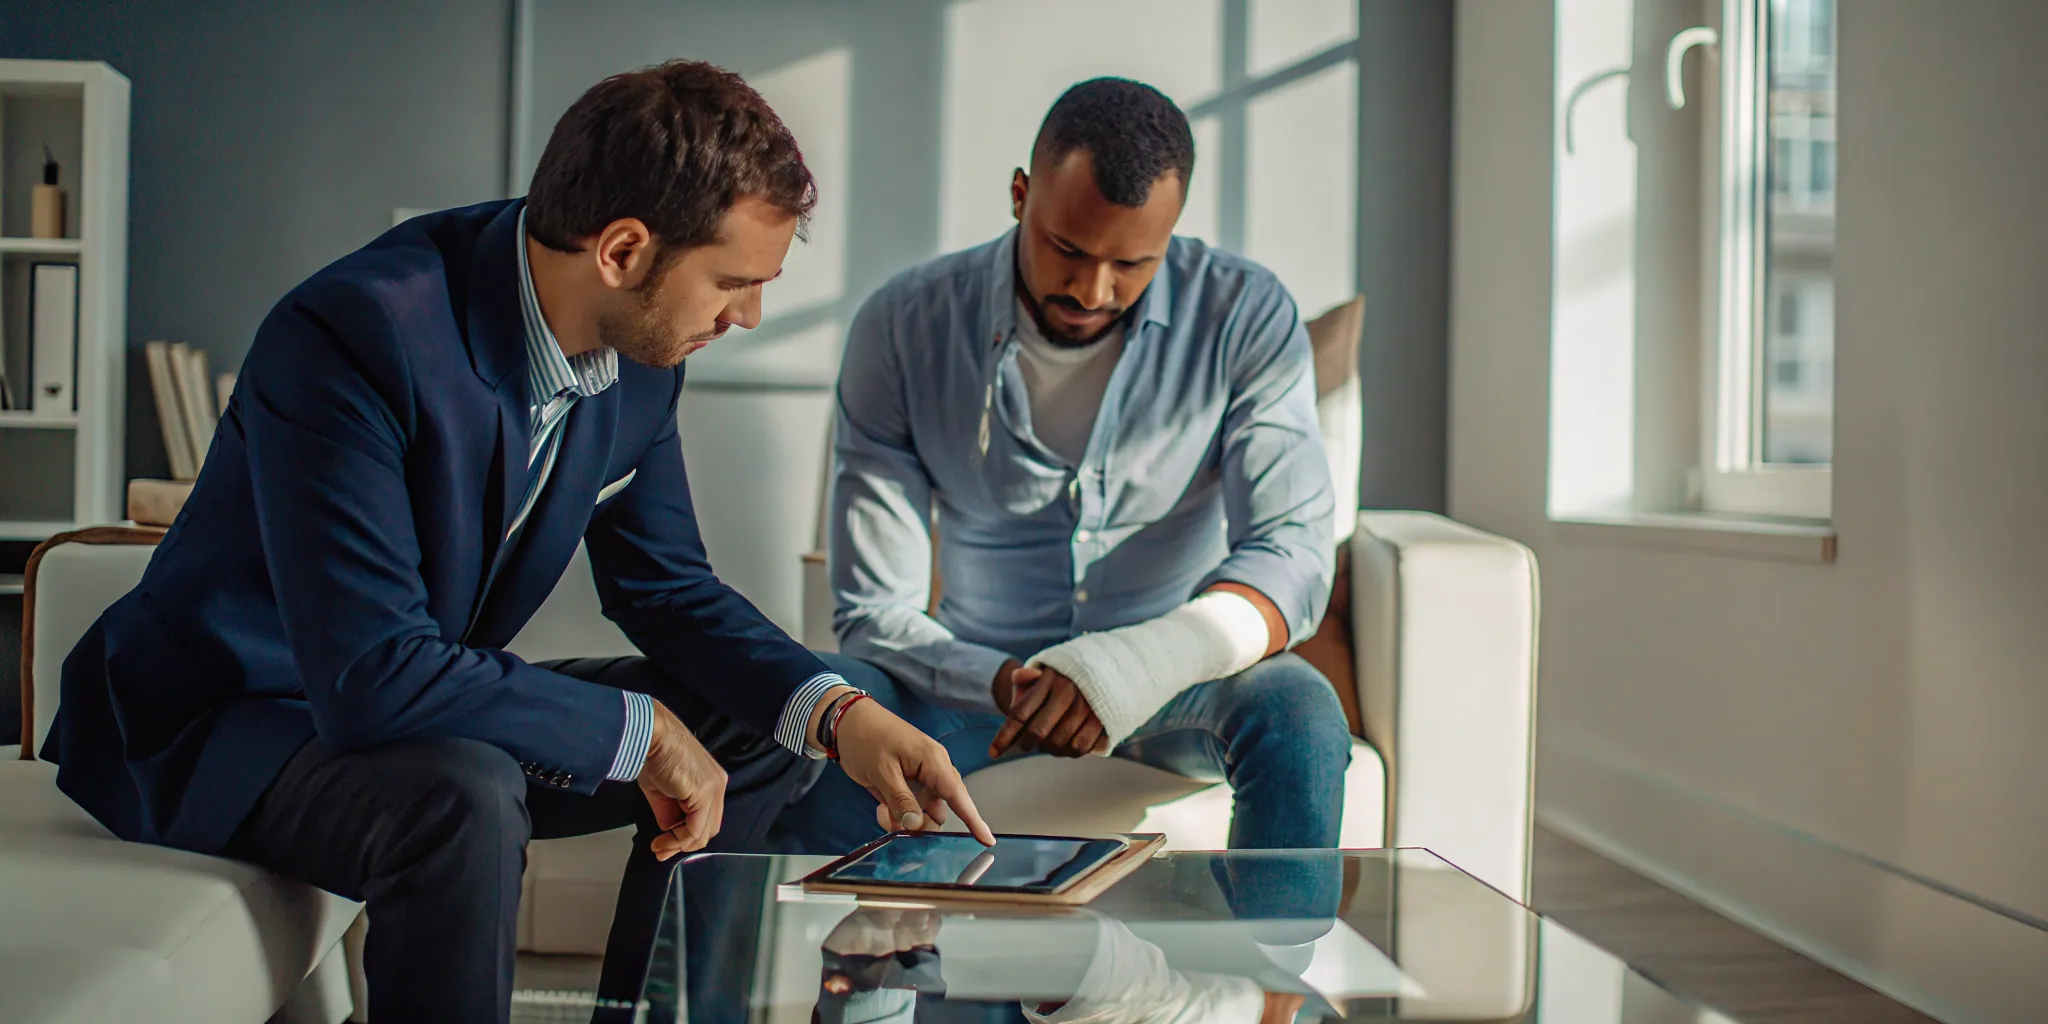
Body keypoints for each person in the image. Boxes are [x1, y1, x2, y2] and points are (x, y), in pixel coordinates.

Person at [42, 60, 990, 1023]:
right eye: (734, 282)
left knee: (750, 720)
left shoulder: (641, 353)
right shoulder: (354, 335)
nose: (747, 316)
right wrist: (642, 734)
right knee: (464, 792)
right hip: (215, 725)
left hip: (392, 704)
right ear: (622, 250)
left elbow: (666, 588)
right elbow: (373, 675)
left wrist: (842, 715)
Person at [780, 77, 1350, 855]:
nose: (1092, 289)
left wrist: (1132, 667)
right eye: (1069, 249)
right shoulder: (903, 327)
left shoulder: (1244, 315)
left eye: (1133, 264)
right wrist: (1010, 681)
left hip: (1177, 687)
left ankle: (1272, 976)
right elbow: (873, 609)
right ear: (1021, 195)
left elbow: (1293, 553)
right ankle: (814, 968)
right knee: (819, 695)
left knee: (1298, 710)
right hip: (982, 689)